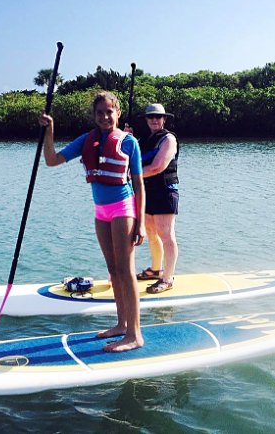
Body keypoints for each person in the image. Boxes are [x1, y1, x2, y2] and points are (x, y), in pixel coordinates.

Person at [39, 91, 146, 353]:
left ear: (117, 113)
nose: (105, 116)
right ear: (94, 115)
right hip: (101, 212)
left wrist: (141, 223)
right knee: (113, 271)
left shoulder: (130, 142)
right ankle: (121, 325)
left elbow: (140, 186)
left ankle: (134, 334)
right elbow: (52, 160)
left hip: (123, 209)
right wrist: (48, 131)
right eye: (100, 113)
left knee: (125, 270)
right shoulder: (86, 140)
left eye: (109, 112)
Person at [134, 103, 179, 294]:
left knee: (166, 235)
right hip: (147, 191)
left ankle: (167, 279)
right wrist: (127, 138)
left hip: (165, 191)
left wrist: (130, 176)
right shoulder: (142, 140)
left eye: (158, 117)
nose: (154, 120)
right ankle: (155, 269)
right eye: (151, 117)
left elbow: (157, 167)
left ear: (164, 119)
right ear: (146, 120)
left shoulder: (168, 139)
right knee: (151, 232)